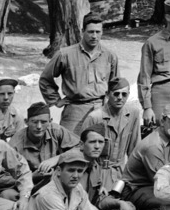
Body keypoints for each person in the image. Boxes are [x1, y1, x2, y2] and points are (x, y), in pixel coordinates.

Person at [40, 13, 122, 141]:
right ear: (83, 31)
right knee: (69, 145)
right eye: (90, 32)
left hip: (101, 108)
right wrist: (56, 100)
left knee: (99, 146)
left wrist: (110, 106)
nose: (94, 36)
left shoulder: (110, 56)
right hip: (74, 110)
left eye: (98, 32)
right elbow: (45, 79)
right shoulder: (65, 54)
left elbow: (116, 84)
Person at [121, 109, 170, 210]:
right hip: (133, 191)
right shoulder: (153, 145)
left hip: (149, 186)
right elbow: (161, 184)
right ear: (162, 121)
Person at [74, 117, 136, 210]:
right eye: (92, 142)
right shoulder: (73, 167)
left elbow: (98, 200)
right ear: (81, 145)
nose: (97, 146)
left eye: (101, 142)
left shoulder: (96, 166)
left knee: (128, 207)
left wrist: (119, 203)